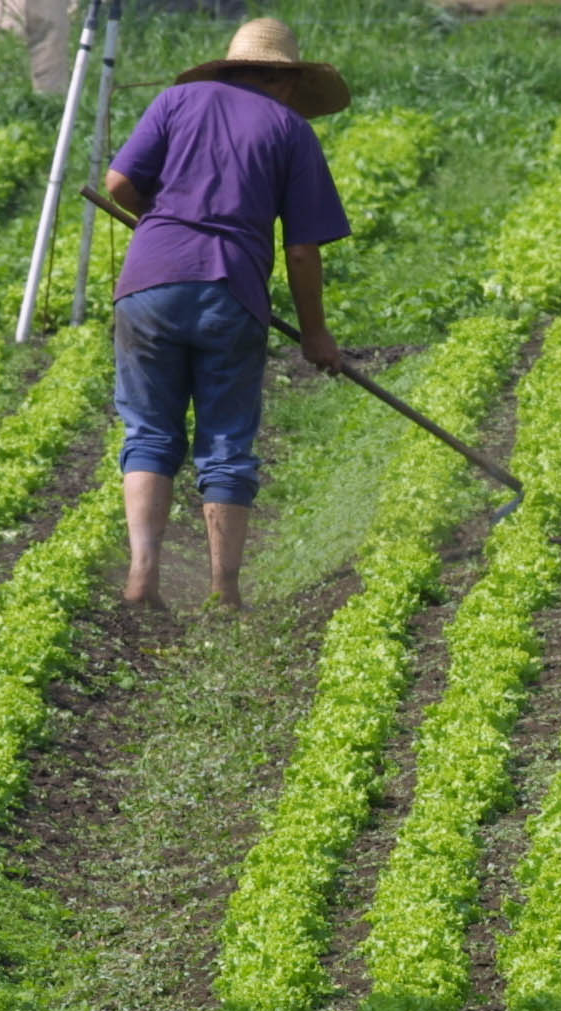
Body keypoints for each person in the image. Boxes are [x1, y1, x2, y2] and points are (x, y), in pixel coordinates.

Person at [103, 17, 351, 609]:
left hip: (148, 284)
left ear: (230, 67)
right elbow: (300, 247)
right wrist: (315, 333)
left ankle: (142, 575)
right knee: (225, 444)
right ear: (288, 82)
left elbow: (117, 183)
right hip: (230, 291)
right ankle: (224, 591)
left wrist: (159, 225)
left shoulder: (175, 101)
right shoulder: (290, 129)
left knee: (149, 431)